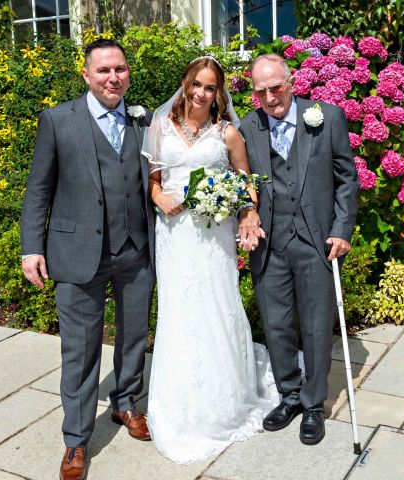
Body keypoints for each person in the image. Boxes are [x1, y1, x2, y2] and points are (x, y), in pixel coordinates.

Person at [20, 39, 156, 480]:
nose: (113, 77)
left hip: (135, 253)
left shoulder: (144, 120)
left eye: (119, 69)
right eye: (103, 71)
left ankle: (125, 404)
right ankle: (76, 440)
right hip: (78, 254)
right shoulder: (58, 120)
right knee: (79, 351)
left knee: (134, 336)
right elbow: (39, 188)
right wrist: (31, 247)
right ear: (86, 75)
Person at [143, 56, 279, 465]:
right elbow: (152, 180)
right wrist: (159, 197)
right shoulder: (159, 125)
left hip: (213, 236)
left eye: (210, 87)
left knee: (218, 308)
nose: (201, 93)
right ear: (185, 83)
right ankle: (179, 403)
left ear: (219, 92)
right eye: (196, 84)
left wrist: (248, 213)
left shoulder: (228, 133)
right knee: (179, 311)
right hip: (174, 235)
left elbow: (246, 181)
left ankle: (226, 402)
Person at [239, 54, 359, 446]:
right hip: (269, 244)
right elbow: (240, 184)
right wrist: (247, 214)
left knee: (315, 323)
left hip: (316, 242)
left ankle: (313, 404)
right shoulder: (246, 127)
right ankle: (288, 395)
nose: (270, 98)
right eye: (261, 91)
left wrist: (342, 229)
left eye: (276, 87)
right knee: (275, 324)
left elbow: (347, 179)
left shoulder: (327, 117)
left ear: (291, 82)